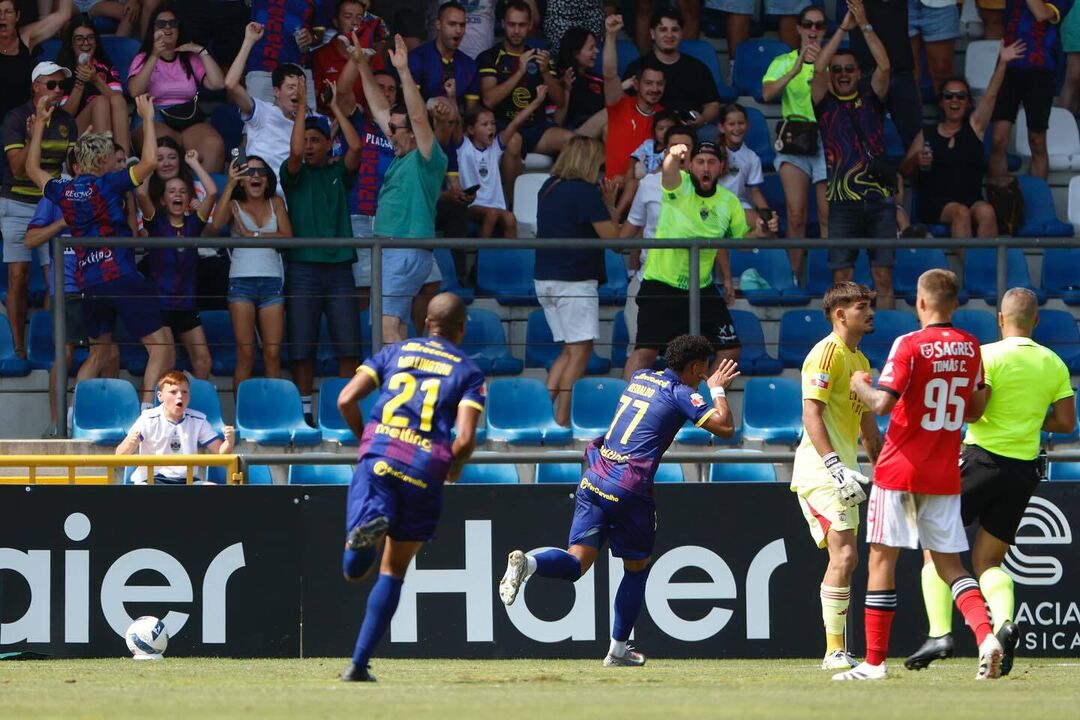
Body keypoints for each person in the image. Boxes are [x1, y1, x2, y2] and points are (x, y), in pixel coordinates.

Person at [499, 336, 740, 666]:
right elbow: (726, 427)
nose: (703, 376)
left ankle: (529, 562)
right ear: (696, 367)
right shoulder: (682, 393)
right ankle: (617, 649)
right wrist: (717, 389)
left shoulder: (640, 377)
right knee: (637, 568)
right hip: (628, 486)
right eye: (702, 371)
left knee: (576, 563)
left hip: (595, 474)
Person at [837, 269, 1002, 681]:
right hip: (944, 472)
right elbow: (977, 410)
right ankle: (986, 637)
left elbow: (880, 405)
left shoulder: (909, 344)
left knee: (881, 560)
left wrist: (858, 384)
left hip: (900, 470)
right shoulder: (970, 347)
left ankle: (874, 663)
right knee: (951, 566)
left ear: (922, 303)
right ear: (956, 303)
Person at [905, 287, 1076, 676]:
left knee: (935, 548)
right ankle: (1003, 624)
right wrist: (1031, 421)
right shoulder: (1054, 363)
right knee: (990, 561)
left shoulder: (986, 354)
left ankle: (940, 632)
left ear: (1000, 318)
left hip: (979, 460)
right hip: (1023, 469)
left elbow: (974, 413)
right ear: (1036, 321)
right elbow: (1067, 423)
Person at [336, 292, 485, 682]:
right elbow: (466, 439)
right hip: (424, 467)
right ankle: (358, 665)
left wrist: (366, 440)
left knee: (354, 571)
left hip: (379, 456)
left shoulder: (394, 352)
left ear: (426, 323)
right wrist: (454, 466)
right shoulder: (468, 372)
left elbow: (346, 399)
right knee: (394, 569)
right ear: (462, 329)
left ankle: (363, 536)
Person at [27, 94, 175, 405]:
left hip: (89, 282)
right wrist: (147, 118)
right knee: (162, 348)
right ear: (104, 160)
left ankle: (76, 415)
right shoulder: (110, 184)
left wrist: (40, 123)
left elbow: (31, 168)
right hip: (120, 275)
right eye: (110, 156)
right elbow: (148, 163)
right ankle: (148, 414)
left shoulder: (64, 190)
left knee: (97, 354)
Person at [622, 141, 778, 379]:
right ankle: (626, 410)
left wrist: (760, 233)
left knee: (730, 349)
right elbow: (669, 172)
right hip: (661, 282)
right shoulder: (679, 186)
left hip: (701, 285)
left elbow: (742, 244)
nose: (706, 168)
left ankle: (701, 404)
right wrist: (673, 156)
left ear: (721, 167)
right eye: (700, 162)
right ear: (691, 166)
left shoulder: (728, 201)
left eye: (712, 162)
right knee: (646, 351)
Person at [789, 281, 880, 670]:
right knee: (845, 554)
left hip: (847, 471)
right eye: (862, 306)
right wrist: (832, 465)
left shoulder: (860, 362)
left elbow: (869, 428)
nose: (870, 312)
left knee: (849, 557)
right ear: (840, 314)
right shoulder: (827, 353)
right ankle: (833, 652)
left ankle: (837, 649)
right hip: (822, 471)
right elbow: (811, 413)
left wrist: (887, 469)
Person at [24, 146, 124, 438]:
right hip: (67, 286)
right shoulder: (57, 195)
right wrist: (64, 223)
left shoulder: (105, 195)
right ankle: (60, 424)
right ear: (76, 168)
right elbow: (31, 240)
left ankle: (103, 419)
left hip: (99, 282)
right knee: (65, 353)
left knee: (111, 354)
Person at [282, 76, 363, 426]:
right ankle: (304, 412)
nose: (310, 145)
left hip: (341, 268)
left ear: (330, 144)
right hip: (302, 269)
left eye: (318, 140)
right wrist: (302, 108)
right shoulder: (292, 174)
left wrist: (333, 109)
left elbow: (356, 149)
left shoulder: (338, 173)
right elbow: (296, 152)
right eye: (308, 139)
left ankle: (341, 410)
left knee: (349, 346)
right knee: (302, 347)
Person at [360, 35, 449, 345]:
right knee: (394, 326)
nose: (389, 133)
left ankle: (398, 389)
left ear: (413, 135)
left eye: (396, 130)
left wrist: (403, 71)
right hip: (391, 249)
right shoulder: (403, 152)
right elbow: (379, 110)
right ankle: (403, 385)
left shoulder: (427, 157)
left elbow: (418, 117)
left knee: (385, 327)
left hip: (404, 249)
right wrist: (361, 65)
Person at [812, 1, 896, 310]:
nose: (843, 74)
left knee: (883, 275)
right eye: (838, 70)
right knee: (842, 278)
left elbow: (885, 66)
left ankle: (888, 335)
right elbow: (817, 67)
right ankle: (842, 340)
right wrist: (843, 28)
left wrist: (864, 24)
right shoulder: (823, 102)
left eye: (849, 69)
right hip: (842, 201)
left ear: (859, 72)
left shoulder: (871, 96)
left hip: (879, 198)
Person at [533, 136, 619, 427]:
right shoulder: (585, 192)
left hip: (545, 279)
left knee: (569, 351)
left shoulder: (549, 187)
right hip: (574, 282)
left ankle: (541, 415)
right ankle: (561, 421)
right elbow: (616, 240)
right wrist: (609, 204)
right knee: (580, 354)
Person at [900, 42, 1025, 239]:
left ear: (968, 102)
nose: (954, 101)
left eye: (960, 96)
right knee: (961, 213)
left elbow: (991, 96)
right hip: (936, 204)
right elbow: (904, 170)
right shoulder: (927, 133)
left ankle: (984, 268)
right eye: (948, 96)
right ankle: (969, 269)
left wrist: (1002, 62)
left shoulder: (975, 127)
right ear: (941, 102)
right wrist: (916, 160)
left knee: (987, 212)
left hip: (971, 199)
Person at [3, 61, 78, 360]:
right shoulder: (16, 118)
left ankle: (52, 345)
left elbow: (69, 167)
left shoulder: (66, 121)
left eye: (62, 85)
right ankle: (17, 347)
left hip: (51, 204)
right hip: (16, 202)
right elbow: (20, 170)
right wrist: (37, 133)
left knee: (55, 280)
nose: (58, 90)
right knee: (18, 275)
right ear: (35, 87)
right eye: (52, 85)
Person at [207, 156, 289, 395]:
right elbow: (215, 226)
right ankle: (242, 420)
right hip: (241, 282)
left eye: (261, 172)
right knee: (246, 353)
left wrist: (254, 235)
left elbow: (288, 237)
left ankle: (275, 418)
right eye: (249, 172)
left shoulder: (276, 202)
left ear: (268, 178)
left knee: (273, 353)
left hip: (272, 282)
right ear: (242, 180)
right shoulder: (233, 203)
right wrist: (230, 184)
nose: (255, 176)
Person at [477, 0, 572, 205]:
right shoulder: (490, 57)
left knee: (573, 142)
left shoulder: (541, 58)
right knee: (513, 142)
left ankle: (558, 201)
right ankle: (511, 206)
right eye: (512, 24)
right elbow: (489, 100)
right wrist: (519, 71)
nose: (516, 30)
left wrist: (546, 72)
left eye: (521, 25)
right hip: (505, 126)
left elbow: (560, 100)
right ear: (503, 24)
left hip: (536, 127)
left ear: (530, 26)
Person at [761, 4, 830, 276]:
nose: (813, 29)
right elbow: (767, 94)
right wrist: (796, 68)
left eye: (819, 25)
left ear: (824, 30)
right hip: (795, 140)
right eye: (808, 24)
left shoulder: (833, 61)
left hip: (826, 138)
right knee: (797, 214)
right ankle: (793, 276)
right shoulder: (783, 61)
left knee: (827, 216)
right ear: (799, 28)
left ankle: (829, 281)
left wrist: (819, 67)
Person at [137, 149, 217, 380]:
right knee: (168, 362)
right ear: (163, 200)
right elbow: (142, 193)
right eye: (171, 191)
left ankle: (197, 409)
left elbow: (211, 191)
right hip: (161, 305)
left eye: (182, 191)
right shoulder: (156, 223)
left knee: (204, 362)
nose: (177, 194)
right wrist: (151, 167)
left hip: (187, 305)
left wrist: (194, 163)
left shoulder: (194, 223)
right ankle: (162, 412)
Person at [334, 34, 398, 308]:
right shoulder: (359, 120)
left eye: (391, 89)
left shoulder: (402, 132)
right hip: (357, 215)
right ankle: (364, 347)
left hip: (390, 219)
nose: (385, 93)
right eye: (379, 86)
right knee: (363, 290)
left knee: (399, 290)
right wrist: (356, 60)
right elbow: (342, 93)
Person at [620, 124, 697, 348]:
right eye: (675, 147)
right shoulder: (647, 185)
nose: (681, 152)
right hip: (648, 280)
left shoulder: (705, 188)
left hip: (689, 285)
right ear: (665, 152)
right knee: (639, 351)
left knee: (684, 359)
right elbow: (627, 234)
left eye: (687, 147)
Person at [127, 3, 226, 172]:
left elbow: (218, 84)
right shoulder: (143, 58)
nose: (167, 28)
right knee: (166, 147)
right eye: (161, 24)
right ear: (153, 29)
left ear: (179, 29)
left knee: (214, 145)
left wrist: (201, 51)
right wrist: (154, 55)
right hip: (153, 115)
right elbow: (135, 91)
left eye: (173, 24)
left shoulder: (189, 58)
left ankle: (203, 194)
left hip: (186, 116)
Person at [987, 0, 1073, 181]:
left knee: (1037, 141)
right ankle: (1001, 200)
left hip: (1041, 68)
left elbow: (1041, 13)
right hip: (1009, 64)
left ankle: (1038, 196)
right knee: (997, 140)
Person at [226, 23, 314, 188]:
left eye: (301, 88)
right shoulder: (261, 111)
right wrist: (249, 41)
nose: (297, 93)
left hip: (292, 198)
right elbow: (230, 84)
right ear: (277, 91)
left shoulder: (311, 121)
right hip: (258, 193)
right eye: (291, 87)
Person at [454, 89, 546, 238]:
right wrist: (452, 96)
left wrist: (537, 101)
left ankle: (509, 259)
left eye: (493, 123)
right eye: (484, 124)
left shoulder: (495, 147)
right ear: (471, 129)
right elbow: (457, 122)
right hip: (472, 206)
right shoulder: (464, 147)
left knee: (510, 218)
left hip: (496, 205)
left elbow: (516, 123)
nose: (491, 127)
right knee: (491, 215)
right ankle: (481, 259)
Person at [116, 370, 235, 484]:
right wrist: (130, 444)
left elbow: (220, 452)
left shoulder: (198, 419)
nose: (180, 396)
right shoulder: (147, 418)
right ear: (160, 396)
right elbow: (119, 456)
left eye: (184, 392)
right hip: (152, 480)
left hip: (188, 480)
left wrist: (229, 442)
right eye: (173, 392)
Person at [623, 7, 720, 140]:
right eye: (663, 30)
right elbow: (623, 103)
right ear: (652, 33)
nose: (669, 35)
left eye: (674, 30)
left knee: (713, 133)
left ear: (681, 33)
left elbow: (712, 104)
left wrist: (702, 119)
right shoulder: (638, 67)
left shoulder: (697, 67)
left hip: (689, 130)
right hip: (649, 129)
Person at [849, 0, 921, 150]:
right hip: (866, 69)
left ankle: (907, 173)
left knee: (915, 141)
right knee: (863, 141)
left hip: (901, 69)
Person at [601, 14, 665, 183]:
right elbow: (609, 74)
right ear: (636, 84)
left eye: (659, 84)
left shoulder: (665, 118)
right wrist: (611, 35)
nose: (655, 89)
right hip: (614, 190)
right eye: (649, 83)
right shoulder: (619, 105)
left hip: (648, 195)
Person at [55, 15, 130, 154]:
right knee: (100, 102)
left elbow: (119, 102)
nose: (85, 43)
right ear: (71, 43)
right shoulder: (62, 71)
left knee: (117, 99)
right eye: (79, 38)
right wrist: (80, 83)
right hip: (75, 131)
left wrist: (96, 79)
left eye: (90, 38)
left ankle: (123, 159)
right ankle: (104, 160)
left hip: (109, 128)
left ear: (96, 42)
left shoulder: (105, 66)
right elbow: (65, 116)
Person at [0, 0, 72, 125]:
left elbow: (64, 14)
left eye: (8, 12)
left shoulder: (26, 36)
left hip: (23, 122)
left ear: (17, 16)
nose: (2, 17)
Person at [311, 0, 388, 115]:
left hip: (364, 124)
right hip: (329, 121)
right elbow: (312, 102)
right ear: (336, 22)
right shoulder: (320, 56)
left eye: (360, 17)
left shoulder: (373, 57)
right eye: (348, 17)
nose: (355, 23)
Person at [243, 0, 318, 106]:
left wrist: (311, 37)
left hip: (298, 72)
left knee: (307, 121)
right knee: (261, 119)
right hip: (262, 70)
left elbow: (319, 32)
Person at [407, 2, 480, 109]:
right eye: (452, 24)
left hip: (455, 123)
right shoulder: (417, 58)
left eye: (462, 25)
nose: (458, 30)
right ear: (438, 24)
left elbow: (471, 116)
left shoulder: (470, 66)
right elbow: (410, 107)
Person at [717, 103, 771, 233]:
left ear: (747, 125)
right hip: (713, 204)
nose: (737, 128)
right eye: (731, 124)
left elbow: (755, 191)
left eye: (741, 123)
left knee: (765, 229)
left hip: (739, 205)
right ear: (722, 127)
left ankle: (741, 252)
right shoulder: (712, 153)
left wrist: (766, 213)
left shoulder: (752, 157)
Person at [553, 27, 603, 132]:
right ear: (576, 53)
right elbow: (556, 123)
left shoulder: (599, 79)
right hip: (575, 137)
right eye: (591, 48)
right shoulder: (558, 81)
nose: (597, 51)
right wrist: (567, 90)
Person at [909, 0, 961, 98]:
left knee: (942, 69)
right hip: (897, 5)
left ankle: (945, 112)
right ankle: (912, 113)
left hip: (940, 3)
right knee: (907, 74)